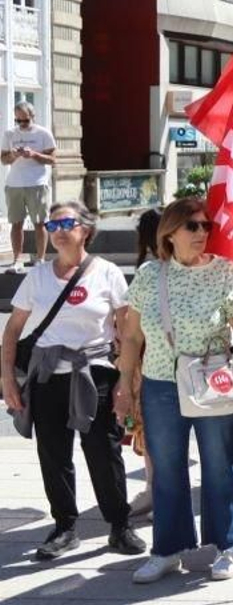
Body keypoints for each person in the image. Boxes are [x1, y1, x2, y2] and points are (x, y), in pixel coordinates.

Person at [115, 198, 233, 583]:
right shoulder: (149, 275)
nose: (202, 233)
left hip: (211, 379)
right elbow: (131, 337)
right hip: (161, 382)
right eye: (192, 226)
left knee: (219, 462)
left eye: (206, 226)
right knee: (167, 468)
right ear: (170, 233)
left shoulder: (226, 271)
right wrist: (125, 384)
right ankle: (168, 549)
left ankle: (227, 546)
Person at [2, 202, 144, 560]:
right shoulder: (38, 276)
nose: (59, 230)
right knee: (53, 453)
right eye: (53, 224)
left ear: (86, 230)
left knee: (103, 451)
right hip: (48, 375)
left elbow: (128, 330)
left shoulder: (107, 272)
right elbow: (13, 329)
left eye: (68, 222)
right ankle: (64, 526)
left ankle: (119, 525)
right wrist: (7, 378)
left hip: (94, 372)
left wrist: (127, 380)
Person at [3, 101, 55, 271]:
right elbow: (3, 160)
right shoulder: (9, 134)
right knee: (16, 223)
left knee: (39, 222)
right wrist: (14, 155)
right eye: (18, 121)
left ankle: (40, 259)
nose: (21, 124)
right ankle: (17, 260)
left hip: (37, 183)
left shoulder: (43, 134)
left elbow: (53, 160)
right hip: (14, 184)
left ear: (33, 117)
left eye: (25, 120)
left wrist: (33, 154)